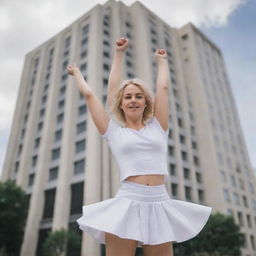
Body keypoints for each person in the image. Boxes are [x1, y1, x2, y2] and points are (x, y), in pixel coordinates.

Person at [67, 38, 212, 256]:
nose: (133, 100)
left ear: (145, 102)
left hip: (160, 201)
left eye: (138, 96)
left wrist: (162, 61)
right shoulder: (113, 130)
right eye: (128, 97)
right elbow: (90, 94)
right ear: (121, 103)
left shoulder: (159, 126)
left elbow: (162, 87)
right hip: (128, 200)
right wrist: (86, 68)